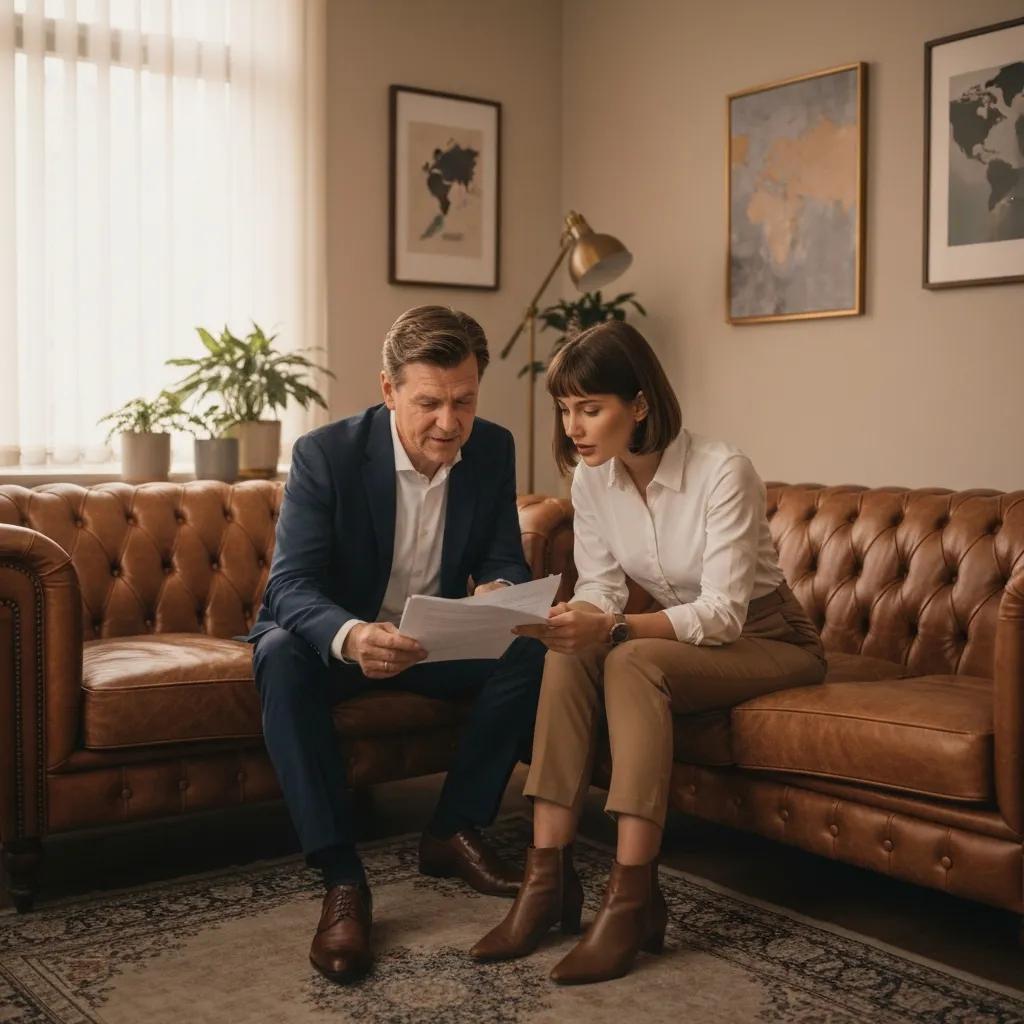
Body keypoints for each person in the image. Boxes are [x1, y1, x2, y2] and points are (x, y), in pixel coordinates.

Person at [470, 320, 826, 985]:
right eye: (566, 409)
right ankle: (546, 881)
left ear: (639, 404)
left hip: (769, 638)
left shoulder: (723, 470)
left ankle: (631, 900)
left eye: (591, 407)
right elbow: (603, 590)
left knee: (628, 656)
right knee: (569, 653)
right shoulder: (591, 480)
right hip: (688, 639)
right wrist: (559, 619)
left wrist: (615, 629)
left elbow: (722, 614)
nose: (574, 425)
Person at [246, 306, 545, 984]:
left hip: (434, 644)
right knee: (278, 653)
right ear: (388, 390)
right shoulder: (327, 454)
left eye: (463, 401)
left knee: (533, 642)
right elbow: (288, 586)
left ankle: (453, 828)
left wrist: (499, 591)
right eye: (429, 403)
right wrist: (353, 637)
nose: (449, 422)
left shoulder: (492, 448)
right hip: (346, 649)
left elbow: (506, 559)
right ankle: (343, 880)